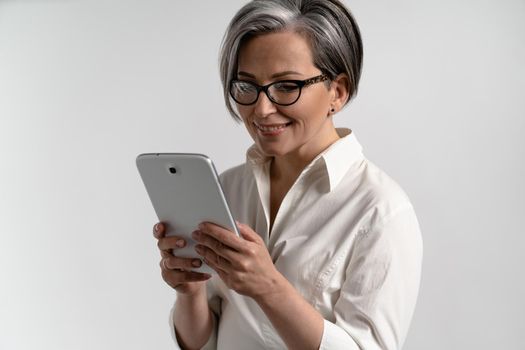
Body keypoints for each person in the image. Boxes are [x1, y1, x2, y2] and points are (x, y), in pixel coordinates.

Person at [153, 0, 423, 349]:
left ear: (337, 92)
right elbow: (208, 343)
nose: (261, 109)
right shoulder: (229, 189)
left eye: (286, 86)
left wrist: (269, 287)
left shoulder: (382, 212)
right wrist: (190, 292)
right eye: (247, 86)